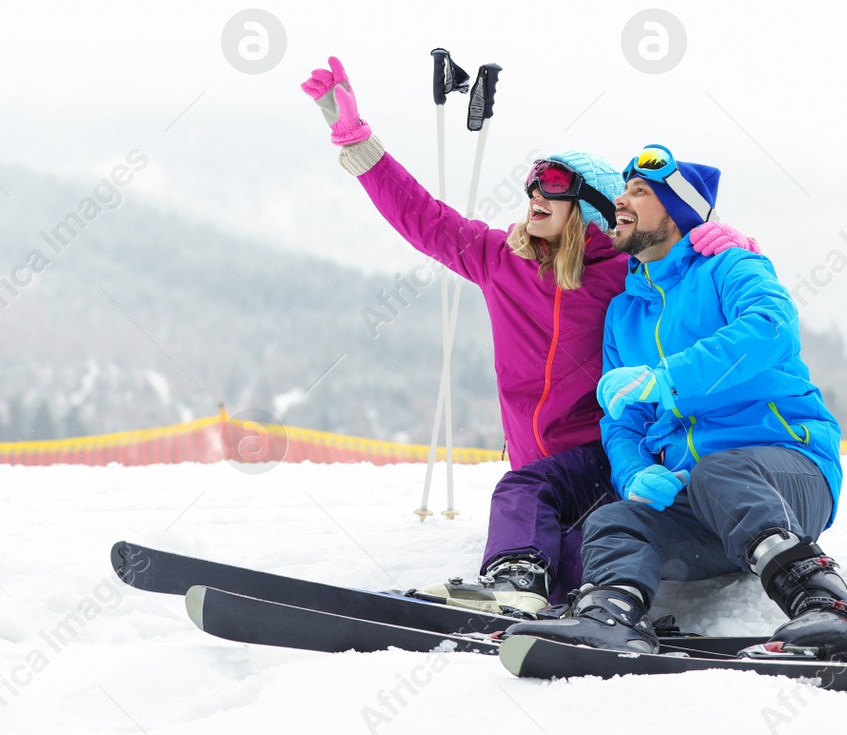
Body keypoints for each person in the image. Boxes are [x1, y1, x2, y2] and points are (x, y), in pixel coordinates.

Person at [300, 61, 755, 613]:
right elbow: (421, 216)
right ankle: (516, 585)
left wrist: (724, 243)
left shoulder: (621, 272)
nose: (535, 192)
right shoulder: (500, 259)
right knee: (524, 497)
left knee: (573, 540)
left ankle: (574, 605)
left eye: (555, 184)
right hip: (534, 465)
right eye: (534, 181)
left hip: (606, 456)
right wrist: (358, 143)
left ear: (588, 207)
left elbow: (679, 275)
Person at [507, 144, 847, 660]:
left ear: (675, 210)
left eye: (639, 191)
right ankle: (609, 616)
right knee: (616, 520)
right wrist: (633, 472)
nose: (620, 201)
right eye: (623, 189)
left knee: (720, 473)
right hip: (708, 508)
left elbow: (771, 328)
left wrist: (669, 379)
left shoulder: (731, 266)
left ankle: (833, 607)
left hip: (790, 474)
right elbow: (624, 419)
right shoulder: (625, 313)